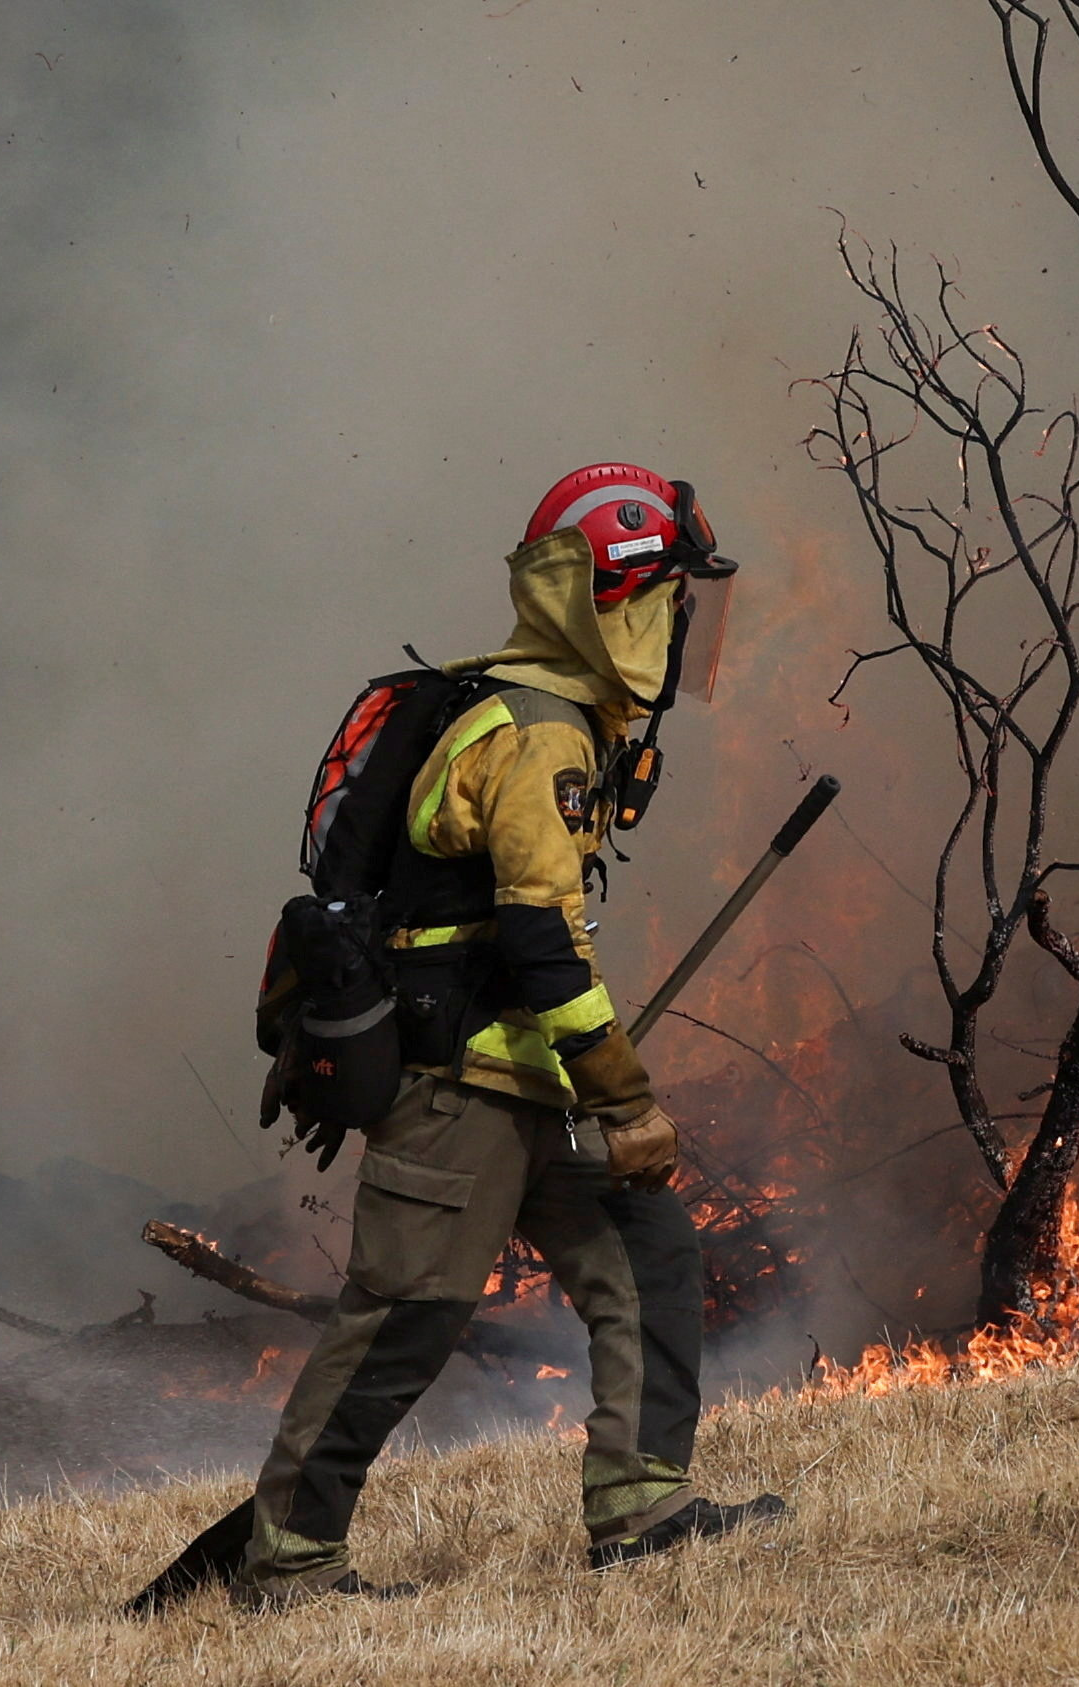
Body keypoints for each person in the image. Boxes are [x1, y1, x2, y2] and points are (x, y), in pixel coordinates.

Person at [235, 464, 791, 1601]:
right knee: (407, 1317)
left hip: (525, 1076)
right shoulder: (538, 733)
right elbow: (543, 945)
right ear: (621, 599)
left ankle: (642, 1505)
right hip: (459, 1093)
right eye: (673, 601)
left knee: (648, 1259)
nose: (685, 628)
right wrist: (628, 1100)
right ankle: (287, 1559)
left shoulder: (534, 710)